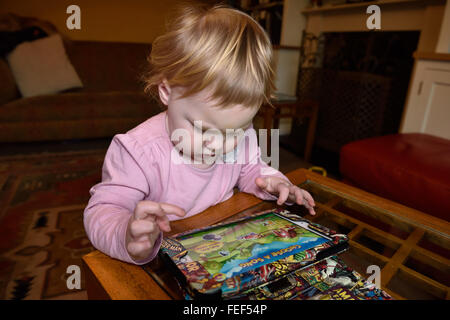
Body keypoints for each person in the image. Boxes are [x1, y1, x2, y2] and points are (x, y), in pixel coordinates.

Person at [83, 1, 316, 265]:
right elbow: (103, 210)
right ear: (167, 92)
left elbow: (252, 170)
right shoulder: (136, 150)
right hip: (163, 257)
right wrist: (127, 236)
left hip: (219, 247)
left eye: (235, 131)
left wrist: (275, 182)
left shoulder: (241, 133)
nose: (218, 145)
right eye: (203, 129)